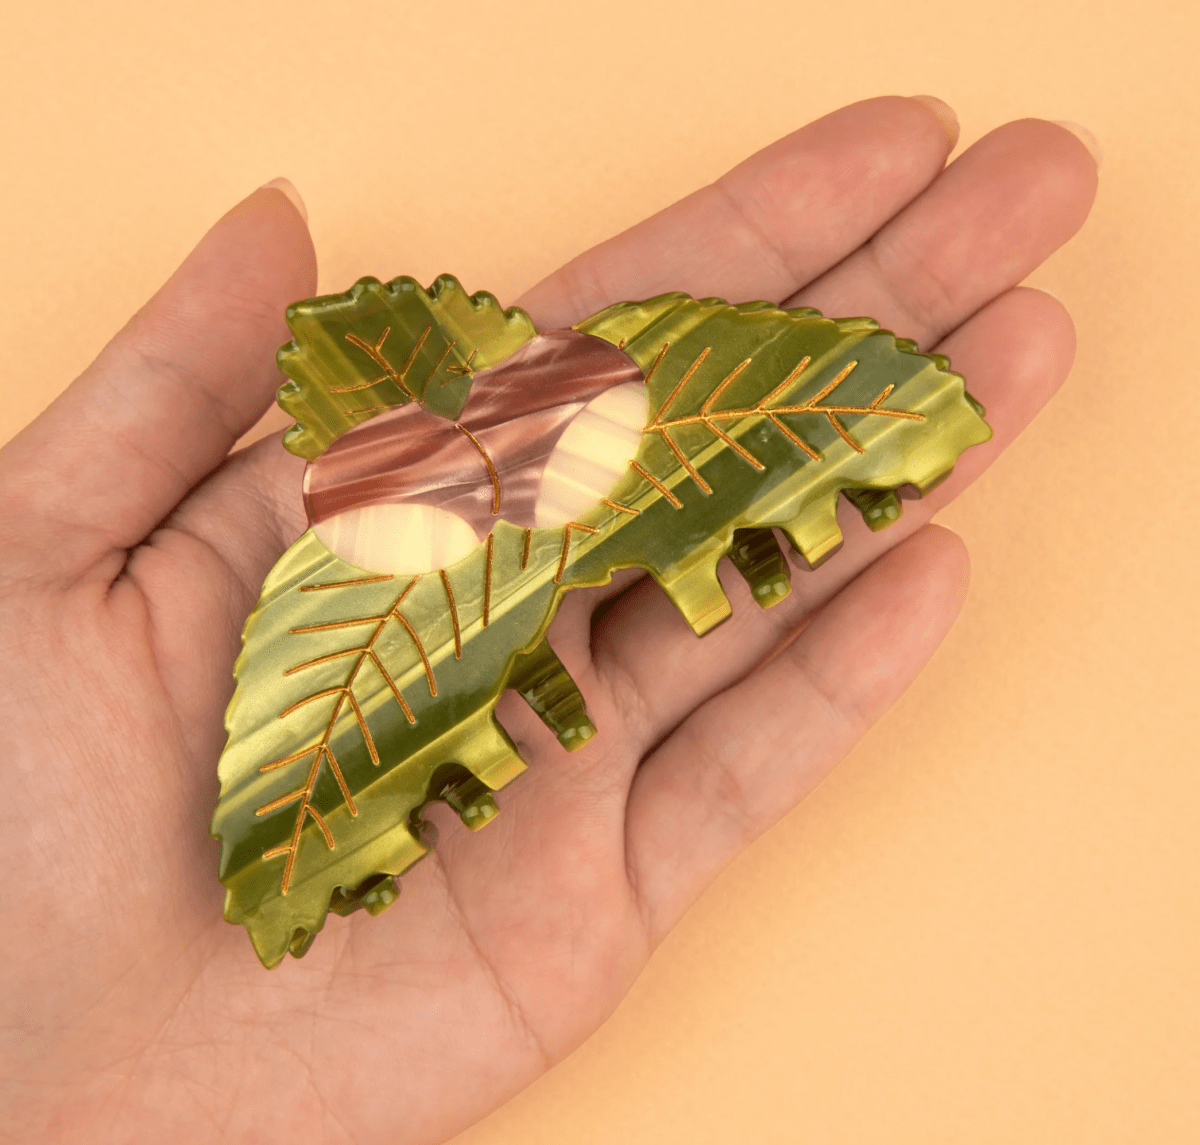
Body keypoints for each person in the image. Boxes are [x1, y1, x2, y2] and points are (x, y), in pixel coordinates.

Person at [0, 95, 1097, 1144]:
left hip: (572, 450)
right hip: (452, 537)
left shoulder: (570, 428)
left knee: (825, 429)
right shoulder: (384, 555)